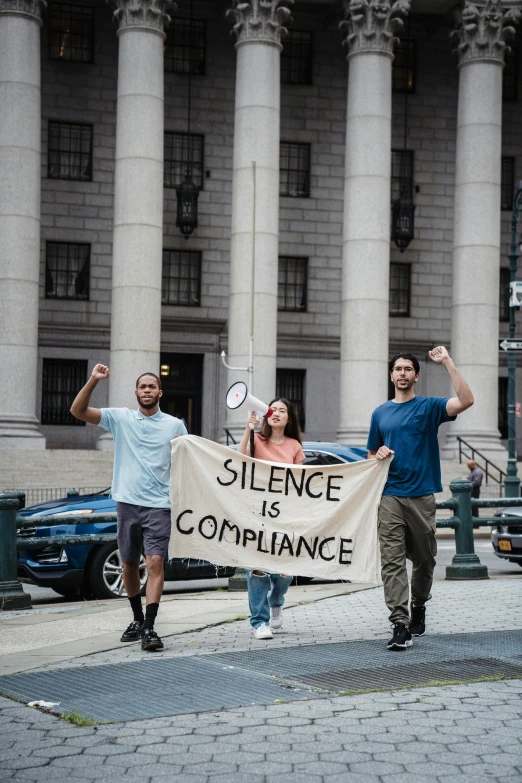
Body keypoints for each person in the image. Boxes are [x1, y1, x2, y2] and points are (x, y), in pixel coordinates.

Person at [70, 364, 187, 651]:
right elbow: (78, 411)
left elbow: (188, 463)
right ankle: (136, 619)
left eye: (152, 386)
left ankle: (149, 626)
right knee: (129, 565)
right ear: (136, 392)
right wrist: (94, 381)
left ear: (160, 392)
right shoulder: (120, 418)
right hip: (128, 504)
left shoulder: (175, 425)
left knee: (155, 562)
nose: (147, 390)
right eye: (142, 386)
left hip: (159, 505)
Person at [367, 346, 474, 651]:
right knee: (392, 561)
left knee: (425, 560)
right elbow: (372, 452)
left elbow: (466, 400)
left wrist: (448, 362)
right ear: (391, 375)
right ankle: (400, 624)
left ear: (416, 375)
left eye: (407, 369)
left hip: (422, 496)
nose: (402, 373)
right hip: (389, 496)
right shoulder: (380, 413)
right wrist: (380, 454)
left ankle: (419, 604)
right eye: (397, 369)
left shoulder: (429, 407)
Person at [237, 398, 305, 640]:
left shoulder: (295, 446)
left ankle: (276, 600)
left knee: (285, 570)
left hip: (285, 516)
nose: (276, 413)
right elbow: (239, 459)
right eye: (272, 410)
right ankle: (259, 622)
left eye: (282, 410)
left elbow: (301, 483)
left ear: (289, 418)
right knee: (257, 568)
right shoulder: (256, 440)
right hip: (256, 512)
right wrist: (249, 428)